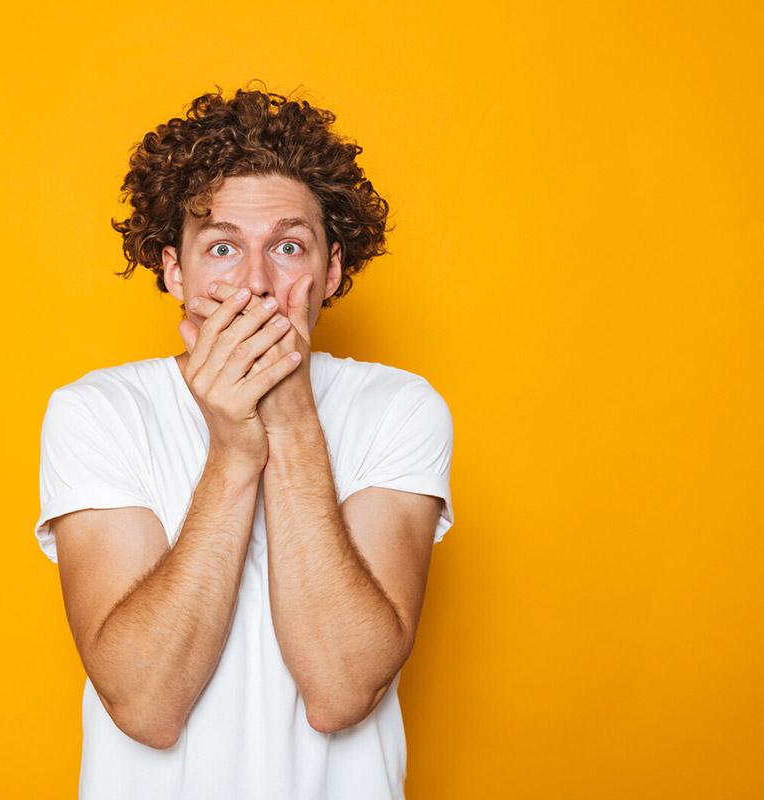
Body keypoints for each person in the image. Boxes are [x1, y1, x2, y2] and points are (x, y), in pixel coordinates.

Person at [33, 85, 455, 800]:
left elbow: (341, 689)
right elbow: (145, 705)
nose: (257, 285)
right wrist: (232, 452)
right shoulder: (97, 413)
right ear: (174, 269)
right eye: (223, 247)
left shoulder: (399, 409)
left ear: (331, 269)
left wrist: (288, 421)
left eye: (288, 247)